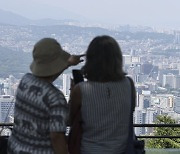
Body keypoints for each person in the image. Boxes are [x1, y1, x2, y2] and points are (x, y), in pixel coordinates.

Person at [7, 38, 84, 154]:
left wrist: (67, 63)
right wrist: (74, 94)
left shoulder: (25, 81)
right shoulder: (55, 98)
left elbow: (48, 73)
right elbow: (57, 137)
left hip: (14, 148)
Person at [70, 35, 136, 154]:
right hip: (122, 151)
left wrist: (72, 91)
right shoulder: (129, 84)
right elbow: (130, 111)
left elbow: (68, 120)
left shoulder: (81, 90)